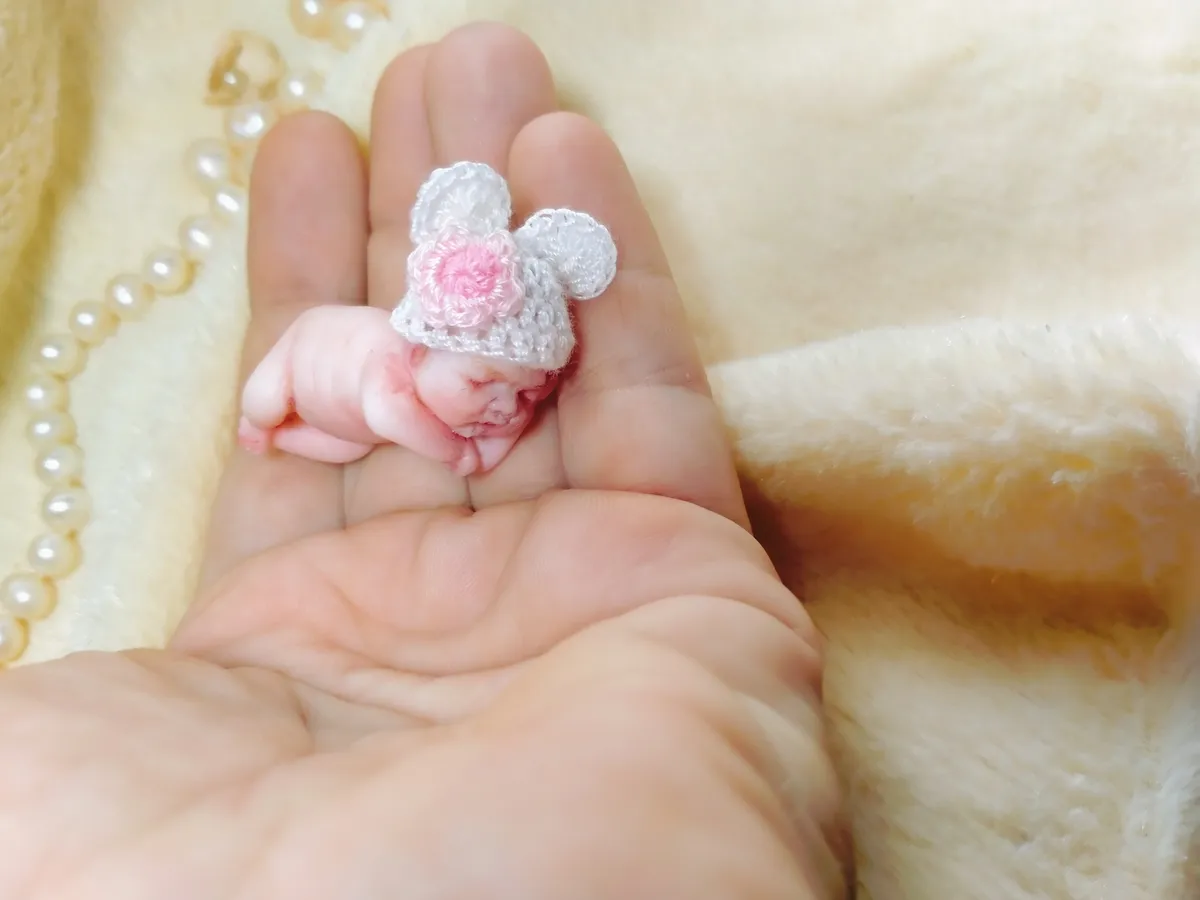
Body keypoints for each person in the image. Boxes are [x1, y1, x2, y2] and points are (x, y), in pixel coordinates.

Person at [0, 23, 847, 898]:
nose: (504, 406)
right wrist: (444, 434)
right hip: (306, 380)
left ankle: (290, 433)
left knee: (326, 433)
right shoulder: (383, 375)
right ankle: (272, 425)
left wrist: (485, 417)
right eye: (485, 379)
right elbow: (406, 422)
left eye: (521, 394)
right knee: (275, 408)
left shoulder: (459, 392)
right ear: (421, 349)